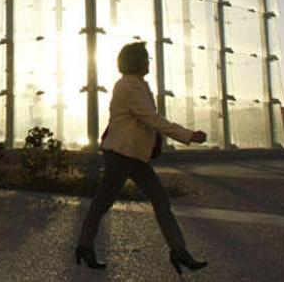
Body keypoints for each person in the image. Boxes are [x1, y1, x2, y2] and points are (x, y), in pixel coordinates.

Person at [75, 41, 208, 275]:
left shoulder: (136, 84)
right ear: (136, 60)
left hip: (134, 156)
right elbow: (151, 118)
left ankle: (179, 251)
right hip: (121, 155)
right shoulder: (130, 86)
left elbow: (149, 119)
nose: (149, 62)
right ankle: (84, 247)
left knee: (160, 200)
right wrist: (188, 135)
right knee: (104, 202)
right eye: (146, 57)